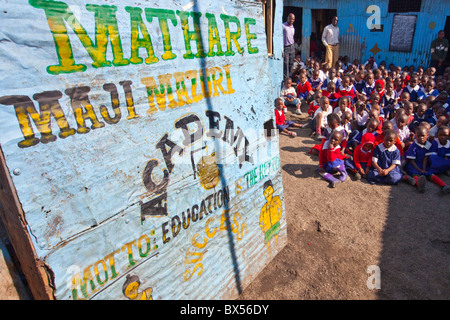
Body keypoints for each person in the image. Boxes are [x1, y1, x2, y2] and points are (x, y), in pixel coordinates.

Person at [404, 125, 450, 193]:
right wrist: (419, 169)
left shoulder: (429, 145)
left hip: (423, 164)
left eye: (423, 135)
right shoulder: (413, 146)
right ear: (415, 136)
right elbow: (412, 160)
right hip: (414, 165)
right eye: (418, 136)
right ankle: (419, 185)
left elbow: (426, 158)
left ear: (427, 135)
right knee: (415, 174)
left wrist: (423, 169)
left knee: (429, 173)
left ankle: (444, 186)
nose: (421, 138)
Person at [283, 13, 296, 80]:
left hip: (292, 46)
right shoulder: (283, 26)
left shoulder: (292, 27)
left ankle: (290, 79)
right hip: (285, 47)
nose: (291, 20)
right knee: (286, 64)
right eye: (290, 18)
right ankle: (286, 79)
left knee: (291, 63)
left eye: (293, 19)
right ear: (288, 18)